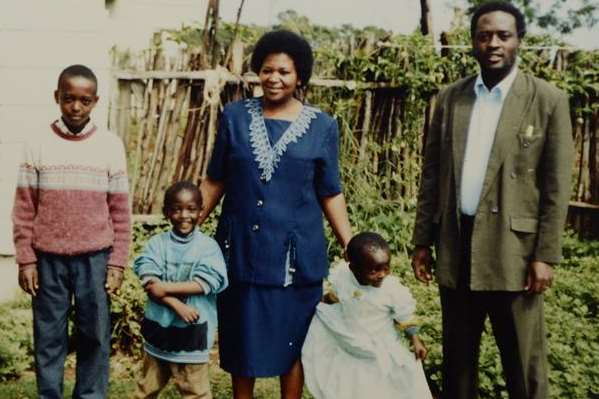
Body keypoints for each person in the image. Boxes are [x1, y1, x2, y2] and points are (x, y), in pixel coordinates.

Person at [411, 2, 574, 399]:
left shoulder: (547, 100)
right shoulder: (452, 99)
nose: (493, 43)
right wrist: (422, 241)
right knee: (458, 362)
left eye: (503, 35)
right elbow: (432, 174)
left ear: (519, 40)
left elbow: (556, 186)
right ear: (473, 42)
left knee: (523, 364)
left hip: (514, 251)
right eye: (484, 36)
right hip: (457, 245)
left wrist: (544, 256)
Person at [199, 30, 353, 399]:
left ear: (299, 77)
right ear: (257, 72)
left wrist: (350, 242)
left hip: (294, 258)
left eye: (284, 72)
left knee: (293, 343)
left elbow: (330, 190)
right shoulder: (235, 117)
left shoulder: (322, 126)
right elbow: (215, 178)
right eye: (267, 70)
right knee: (241, 342)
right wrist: (185, 231)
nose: (274, 79)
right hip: (240, 250)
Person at [12, 64, 131, 398]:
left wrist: (117, 263)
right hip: (48, 260)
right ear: (57, 97)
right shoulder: (37, 144)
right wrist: (25, 259)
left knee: (94, 335)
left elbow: (120, 211)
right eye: (68, 99)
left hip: (95, 259)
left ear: (95, 101)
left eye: (84, 100)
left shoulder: (109, 145)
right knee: (49, 336)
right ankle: (49, 393)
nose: (76, 107)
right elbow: (24, 208)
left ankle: (90, 395)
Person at [302, 232, 432, 399]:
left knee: (382, 388)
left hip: (380, 350)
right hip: (351, 345)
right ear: (353, 268)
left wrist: (415, 340)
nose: (382, 274)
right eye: (374, 270)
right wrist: (320, 304)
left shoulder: (391, 290)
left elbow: (404, 315)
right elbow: (335, 297)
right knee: (354, 387)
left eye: (386, 268)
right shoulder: (344, 279)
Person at [133, 181, 228, 399]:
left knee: (196, 392)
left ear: (201, 211)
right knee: (145, 390)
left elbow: (205, 283)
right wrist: (176, 304)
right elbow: (149, 281)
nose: (184, 215)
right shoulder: (157, 244)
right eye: (176, 209)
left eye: (191, 209)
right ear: (167, 212)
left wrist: (164, 287)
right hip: (159, 332)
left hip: (192, 336)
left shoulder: (208, 247)